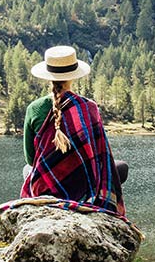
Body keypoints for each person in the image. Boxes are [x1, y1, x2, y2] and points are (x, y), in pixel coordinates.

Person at [21, 45, 128, 214]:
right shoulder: (89, 107)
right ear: (74, 76)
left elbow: (30, 158)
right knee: (121, 168)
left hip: (46, 188)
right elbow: (101, 155)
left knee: (27, 170)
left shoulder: (34, 109)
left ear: (48, 76)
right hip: (84, 187)